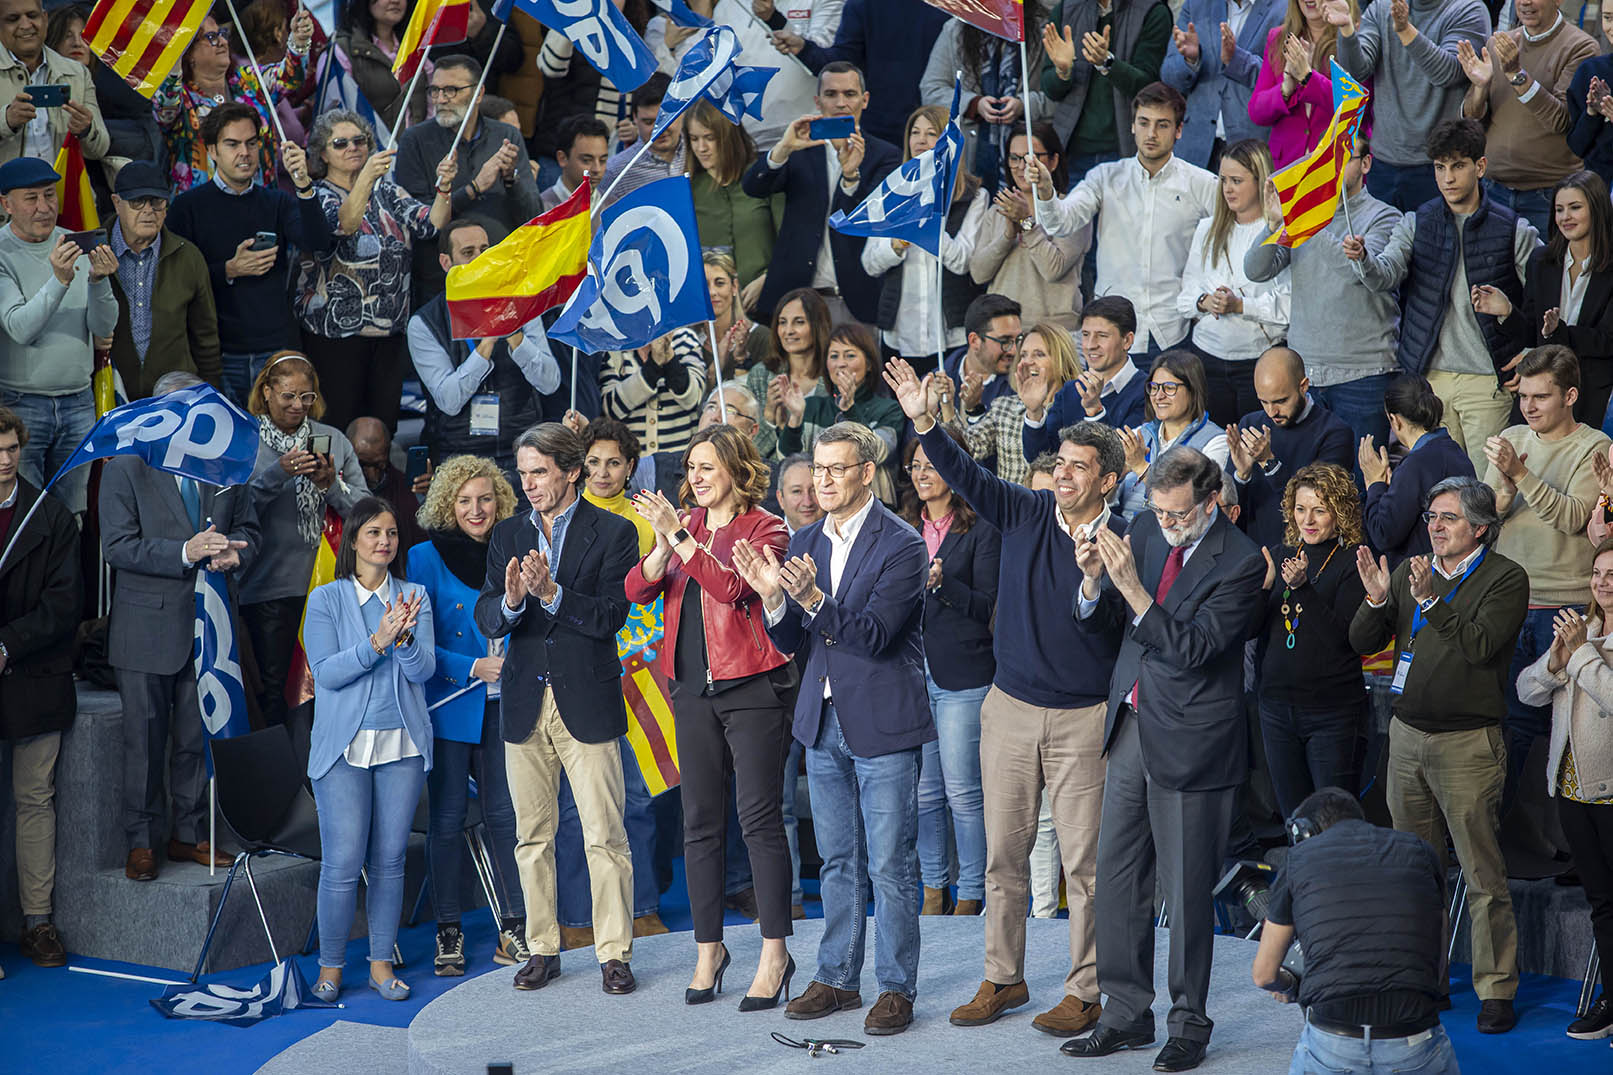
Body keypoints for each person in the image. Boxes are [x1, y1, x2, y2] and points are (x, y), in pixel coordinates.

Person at [890, 354, 1124, 1039]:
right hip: (1009, 709)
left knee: (1083, 867)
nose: (1065, 474)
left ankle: (1085, 989)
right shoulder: (1023, 510)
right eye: (1062, 462)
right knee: (1002, 857)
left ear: (1107, 479)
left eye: (1080, 466)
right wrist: (925, 421)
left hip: (1084, 718)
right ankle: (1003, 974)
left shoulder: (1122, 537)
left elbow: (1113, 626)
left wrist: (1090, 585)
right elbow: (965, 473)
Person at [1067, 446, 1265, 1069]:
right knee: (1118, 880)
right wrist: (1095, 585)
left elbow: (1196, 649)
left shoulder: (1240, 562)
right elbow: (1111, 632)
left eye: (1179, 515)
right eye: (1158, 511)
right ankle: (1125, 1014)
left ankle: (1189, 1024)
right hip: (1130, 723)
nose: (1165, 524)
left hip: (1194, 741)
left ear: (1212, 503)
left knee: (1183, 895)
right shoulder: (1147, 525)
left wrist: (1131, 590)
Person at [732, 421, 931, 1035]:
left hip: (883, 721)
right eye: (817, 470)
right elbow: (793, 642)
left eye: (836, 469)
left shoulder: (902, 544)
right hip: (821, 722)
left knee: (892, 864)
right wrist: (772, 599)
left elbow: (874, 636)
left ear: (866, 473)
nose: (822, 481)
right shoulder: (805, 540)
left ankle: (896, 988)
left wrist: (815, 601)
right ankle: (838, 978)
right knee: (839, 859)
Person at [625, 424, 799, 1008]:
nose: (694, 479)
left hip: (752, 686)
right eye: (690, 469)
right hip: (690, 690)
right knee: (698, 822)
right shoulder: (686, 529)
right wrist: (660, 548)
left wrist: (679, 540)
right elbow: (636, 590)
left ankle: (775, 953)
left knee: (758, 820)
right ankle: (709, 950)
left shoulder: (766, 526)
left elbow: (730, 588)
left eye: (706, 467)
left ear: (736, 470)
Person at [1349, 476, 1530, 1034]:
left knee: (1481, 872)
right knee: (1414, 870)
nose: (1435, 526)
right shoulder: (1409, 571)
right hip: (1406, 738)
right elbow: (1363, 641)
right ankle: (1424, 976)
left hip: (1468, 744)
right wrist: (1379, 598)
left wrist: (1431, 599)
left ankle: (1496, 988)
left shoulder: (1506, 578)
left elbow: (1479, 646)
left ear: (1480, 528)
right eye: (1431, 516)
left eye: (1448, 518)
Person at [473, 423, 641, 996]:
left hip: (586, 700)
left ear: (571, 472)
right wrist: (515, 601)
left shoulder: (615, 531)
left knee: (604, 834)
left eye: (539, 471)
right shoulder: (508, 534)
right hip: (523, 702)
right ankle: (542, 947)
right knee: (532, 836)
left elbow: (611, 617)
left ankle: (613, 953)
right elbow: (487, 617)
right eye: (522, 473)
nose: (528, 484)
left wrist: (552, 595)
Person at [100, 370, 259, 883]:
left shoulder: (226, 465)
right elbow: (117, 547)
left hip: (209, 625)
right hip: (145, 629)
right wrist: (185, 552)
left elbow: (250, 531)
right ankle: (142, 841)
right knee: (144, 742)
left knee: (195, 738)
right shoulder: (127, 465)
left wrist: (237, 555)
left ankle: (189, 834)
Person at [303, 496, 433, 1002]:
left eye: (392, 534)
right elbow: (328, 674)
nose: (385, 541)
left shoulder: (415, 595)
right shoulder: (326, 600)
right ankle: (331, 968)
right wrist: (377, 641)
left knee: (391, 859)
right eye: (374, 533)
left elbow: (423, 674)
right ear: (353, 540)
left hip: (401, 744)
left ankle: (381, 965)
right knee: (341, 860)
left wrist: (404, 642)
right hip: (343, 748)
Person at [407, 457, 528, 976]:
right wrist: (472, 666)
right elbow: (417, 641)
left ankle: (516, 926)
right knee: (448, 821)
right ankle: (448, 931)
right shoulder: (422, 556)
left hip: (508, 704)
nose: (476, 510)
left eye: (485, 499)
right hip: (452, 705)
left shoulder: (520, 545)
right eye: (464, 501)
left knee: (508, 819)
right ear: (446, 505)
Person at [1251, 788, 1460, 1074]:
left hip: (1335, 1040)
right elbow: (1437, 963)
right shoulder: (1420, 851)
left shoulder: (1298, 860)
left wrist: (1288, 987)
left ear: (1305, 833)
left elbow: (1264, 974)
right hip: (1414, 1038)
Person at [1482, 346, 1610, 810]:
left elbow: (1575, 518)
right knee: (1510, 723)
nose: (1529, 407)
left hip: (1566, 607)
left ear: (1571, 395)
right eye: (1524, 396)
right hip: (1510, 602)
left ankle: (1557, 838)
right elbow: (1487, 517)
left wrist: (1521, 472)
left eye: (1541, 396)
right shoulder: (1513, 434)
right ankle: (1510, 831)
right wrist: (1502, 490)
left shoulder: (1594, 446)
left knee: (1562, 728)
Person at [1030, 82, 1218, 358]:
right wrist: (1046, 193)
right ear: (1132, 126)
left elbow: (1226, 239)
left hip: (1173, 329)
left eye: (1162, 125)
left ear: (1178, 130)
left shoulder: (1202, 184)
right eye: (1144, 122)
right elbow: (1061, 222)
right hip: (1111, 332)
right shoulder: (1104, 177)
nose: (1151, 133)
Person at [297, 109, 453, 433]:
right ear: (322, 154)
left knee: (383, 429)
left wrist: (445, 188)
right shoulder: (318, 195)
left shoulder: (389, 191)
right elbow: (343, 224)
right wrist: (367, 176)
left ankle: (377, 484)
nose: (353, 147)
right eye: (340, 143)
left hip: (389, 333)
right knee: (338, 426)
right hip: (336, 339)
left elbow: (431, 224)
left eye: (360, 140)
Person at [167, 102, 331, 409]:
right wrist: (228, 270)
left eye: (251, 143)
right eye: (232, 144)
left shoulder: (277, 202)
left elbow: (319, 241)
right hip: (219, 352)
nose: (244, 152)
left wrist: (303, 185)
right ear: (212, 151)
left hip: (275, 349)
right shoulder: (187, 207)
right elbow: (175, 282)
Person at [899, 428, 1000, 919]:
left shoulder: (980, 528)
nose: (921, 474)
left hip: (964, 677)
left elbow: (988, 608)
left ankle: (971, 892)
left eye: (931, 465)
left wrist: (943, 587)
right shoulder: (901, 528)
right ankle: (934, 889)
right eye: (914, 466)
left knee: (963, 792)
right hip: (913, 677)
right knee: (924, 793)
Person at [1516, 538, 1613, 1042]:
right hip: (1574, 790)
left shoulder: (1588, 643)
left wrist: (1579, 658)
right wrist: (1556, 659)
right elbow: (1526, 692)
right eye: (1597, 572)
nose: (1602, 582)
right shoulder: (1582, 631)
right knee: (1601, 902)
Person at [238, 354, 367, 727]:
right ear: (266, 392)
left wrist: (331, 486)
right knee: (275, 690)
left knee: (330, 686)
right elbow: (234, 512)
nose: (298, 406)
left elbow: (369, 512)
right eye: (288, 396)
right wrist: (276, 475)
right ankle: (282, 779)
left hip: (328, 585)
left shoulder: (335, 441)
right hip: (268, 590)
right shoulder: (247, 442)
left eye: (306, 397)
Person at [1246, 140, 1402, 450]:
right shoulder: (1305, 217)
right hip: (1307, 376)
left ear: (1366, 164)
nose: (1332, 165)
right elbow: (1256, 270)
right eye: (1327, 158)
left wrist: (1306, 218)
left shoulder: (1384, 216)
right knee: (1309, 483)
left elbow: (1356, 274)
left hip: (1364, 374)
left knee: (1361, 484)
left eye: (1344, 157)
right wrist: (1274, 223)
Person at [0, 405, 79, 968]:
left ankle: (38, 924)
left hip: (34, 675)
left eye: (11, 450)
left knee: (35, 800)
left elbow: (65, 604)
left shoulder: (50, 515)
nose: (4, 462)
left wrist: (6, 645)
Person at [740, 62, 900, 326]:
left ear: (865, 100)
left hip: (855, 300)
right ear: (817, 101)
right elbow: (753, 188)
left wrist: (850, 176)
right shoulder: (799, 148)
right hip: (795, 300)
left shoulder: (885, 155)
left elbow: (875, 219)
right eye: (830, 94)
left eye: (849, 94)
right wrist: (782, 148)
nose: (840, 103)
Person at [0, 155, 116, 514]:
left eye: (50, 195)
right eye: (31, 198)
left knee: (71, 516)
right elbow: (20, 328)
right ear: (6, 204)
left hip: (78, 402)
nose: (44, 207)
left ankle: (69, 574)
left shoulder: (73, 243)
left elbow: (104, 328)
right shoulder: (2, 252)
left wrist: (99, 281)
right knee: (26, 516)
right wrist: (60, 280)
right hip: (22, 405)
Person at [1254, 463, 1368, 815]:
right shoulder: (1278, 554)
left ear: (1340, 513)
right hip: (1275, 708)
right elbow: (1248, 631)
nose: (1309, 520)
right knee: (1295, 819)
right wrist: (1262, 591)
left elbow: (1343, 640)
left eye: (1320, 510)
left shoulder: (1353, 560)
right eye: (1301, 509)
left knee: (1333, 821)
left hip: (1331, 713)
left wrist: (1303, 589)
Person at [410, 217, 562, 481]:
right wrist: (488, 341)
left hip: (522, 451)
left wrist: (514, 335)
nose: (480, 259)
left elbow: (550, 382)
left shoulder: (522, 306)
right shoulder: (425, 322)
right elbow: (448, 401)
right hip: (459, 456)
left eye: (485, 250)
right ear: (447, 263)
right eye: (468, 253)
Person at [394, 55, 541, 303]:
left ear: (479, 92)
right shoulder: (414, 140)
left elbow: (532, 215)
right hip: (442, 287)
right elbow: (417, 223)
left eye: (451, 90)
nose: (441, 99)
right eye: (435, 90)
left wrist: (510, 180)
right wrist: (473, 188)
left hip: (500, 278)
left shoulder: (507, 136)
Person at [1328, 0, 1490, 212]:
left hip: (1440, 165)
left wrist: (1405, 30)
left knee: (1432, 243)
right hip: (1384, 163)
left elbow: (1448, 72)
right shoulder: (1381, 6)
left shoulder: (1468, 9)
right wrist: (1346, 29)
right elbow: (1358, 71)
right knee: (1381, 244)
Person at [861, 105, 989, 374]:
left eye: (931, 133)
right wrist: (897, 244)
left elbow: (962, 261)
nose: (921, 140)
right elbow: (870, 263)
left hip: (951, 332)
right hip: (900, 333)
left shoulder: (975, 195)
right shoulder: (891, 191)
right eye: (915, 132)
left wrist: (927, 224)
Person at [1481, 170, 1613, 429]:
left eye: (1575, 208)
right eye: (1559, 209)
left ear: (1597, 210)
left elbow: (1607, 341)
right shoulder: (1541, 261)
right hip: (1543, 388)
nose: (1565, 217)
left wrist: (1557, 334)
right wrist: (1507, 312)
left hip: (1593, 391)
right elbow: (1534, 333)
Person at [1455, 0, 1596, 236]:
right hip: (1492, 190)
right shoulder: (1498, 43)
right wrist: (1480, 88)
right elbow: (1471, 121)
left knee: (1543, 272)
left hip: (1548, 196)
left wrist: (1516, 74)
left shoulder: (1581, 47)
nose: (1525, 2)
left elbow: (1561, 121)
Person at [1177, 138, 1288, 425]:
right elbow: (1185, 295)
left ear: (1261, 180)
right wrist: (1205, 301)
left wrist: (1240, 306)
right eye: (1224, 179)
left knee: (1257, 445)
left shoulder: (1280, 231)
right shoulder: (1207, 228)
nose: (1227, 188)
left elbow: (1288, 306)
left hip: (1259, 359)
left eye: (1237, 180)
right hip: (1206, 357)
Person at [154, 8, 311, 192]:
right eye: (211, 37)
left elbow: (290, 78)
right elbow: (165, 109)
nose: (222, 42)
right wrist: (173, 60)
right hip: (203, 212)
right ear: (188, 53)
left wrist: (299, 41)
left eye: (222, 33)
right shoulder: (181, 98)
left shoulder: (249, 81)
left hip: (261, 204)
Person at [105, 161, 220, 399]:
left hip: (175, 399)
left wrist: (210, 395)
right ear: (117, 203)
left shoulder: (189, 256)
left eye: (156, 202)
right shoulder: (92, 252)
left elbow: (206, 336)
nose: (148, 210)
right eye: (137, 202)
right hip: (108, 395)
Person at [1227, 346, 1356, 548]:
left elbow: (1315, 509)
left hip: (1303, 556)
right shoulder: (1250, 425)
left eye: (1281, 401)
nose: (1272, 412)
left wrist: (1269, 463)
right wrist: (1241, 476)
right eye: (1263, 402)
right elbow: (1231, 510)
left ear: (1303, 386)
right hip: (1252, 553)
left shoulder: (1334, 433)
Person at [969, 124, 1089, 334]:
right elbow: (978, 274)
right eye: (1014, 158)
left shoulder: (1072, 209)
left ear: (1053, 161)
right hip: (1005, 333)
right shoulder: (997, 211)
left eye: (1031, 158)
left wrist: (1026, 223)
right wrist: (1007, 236)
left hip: (1056, 334)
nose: (1021, 166)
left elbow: (1054, 269)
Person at [778, 0, 948, 146]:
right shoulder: (863, 3)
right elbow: (842, 65)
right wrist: (804, 49)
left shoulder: (960, 6)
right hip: (882, 134)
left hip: (942, 127)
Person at [776, 322, 904, 503]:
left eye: (850, 355)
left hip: (871, 506)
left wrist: (850, 408)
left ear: (868, 364)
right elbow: (789, 460)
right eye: (834, 356)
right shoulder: (812, 406)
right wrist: (795, 418)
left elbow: (876, 452)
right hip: (819, 506)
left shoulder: (889, 409)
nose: (841, 364)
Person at [920, 9, 1046, 193]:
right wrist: (973, 104)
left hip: (1028, 154)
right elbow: (931, 89)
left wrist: (1024, 104)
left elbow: (1061, 97)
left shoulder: (1041, 29)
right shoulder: (956, 30)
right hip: (972, 153)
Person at [1041, 0, 1175, 170]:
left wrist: (1107, 63)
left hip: (1126, 152)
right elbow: (1050, 90)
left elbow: (1149, 87)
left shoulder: (1152, 11)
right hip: (1070, 151)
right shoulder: (1066, 8)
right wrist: (1062, 71)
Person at [1361, 372, 1475, 566]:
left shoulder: (1415, 466)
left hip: (1423, 580)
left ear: (1394, 420)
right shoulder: (1455, 452)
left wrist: (1375, 484)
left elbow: (1383, 534)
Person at [1160, 0, 1285, 170]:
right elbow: (1169, 78)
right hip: (1195, 149)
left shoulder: (1284, 8)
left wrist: (1236, 60)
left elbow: (1284, 82)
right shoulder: (1197, 4)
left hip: (1253, 152)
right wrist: (1191, 60)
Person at [1024, 298, 1149, 461]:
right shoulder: (1069, 390)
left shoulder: (1148, 392)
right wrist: (1034, 412)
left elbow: (1118, 462)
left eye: (1102, 336)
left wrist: (1095, 411)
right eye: (1085, 334)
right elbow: (1040, 459)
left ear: (1127, 340)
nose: (1090, 345)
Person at [1113, 349, 1231, 519]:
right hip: (1125, 528)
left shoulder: (1216, 442)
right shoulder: (1139, 434)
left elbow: (1194, 508)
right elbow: (1108, 500)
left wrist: (1141, 467)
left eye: (1169, 388)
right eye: (1153, 387)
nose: (1158, 396)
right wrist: (1116, 477)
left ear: (1193, 390)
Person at [1247, 0, 1361, 169]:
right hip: (1286, 168)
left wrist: (1308, 78)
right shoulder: (1278, 37)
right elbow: (1257, 112)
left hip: (1334, 166)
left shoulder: (1351, 36)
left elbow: (1355, 107)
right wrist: (1286, 88)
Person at [49, 3, 159, 169]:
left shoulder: (115, 90)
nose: (77, 43)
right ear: (52, 42)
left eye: (83, 35)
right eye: (67, 36)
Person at [0, 0, 107, 168]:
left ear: (45, 19)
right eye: (13, 19)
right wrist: (6, 120)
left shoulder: (77, 72)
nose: (26, 25)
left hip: (62, 190)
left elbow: (99, 149)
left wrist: (86, 130)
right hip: (6, 192)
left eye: (32, 16)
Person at [972, 322, 1079, 488]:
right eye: (1023, 355)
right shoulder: (1003, 407)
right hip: (1010, 511)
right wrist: (941, 410)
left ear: (1061, 360)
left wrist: (1035, 412)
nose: (1027, 362)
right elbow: (969, 447)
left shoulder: (1077, 410)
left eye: (1039, 354)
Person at [688, 100, 775, 292]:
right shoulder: (688, 191)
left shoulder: (763, 175)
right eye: (694, 139)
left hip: (766, 299)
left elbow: (789, 240)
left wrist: (767, 279)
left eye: (709, 137)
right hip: (714, 306)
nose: (701, 148)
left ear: (728, 137)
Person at [748, 288, 830, 461]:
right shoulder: (761, 375)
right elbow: (750, 454)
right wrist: (769, 416)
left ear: (818, 325)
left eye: (799, 322)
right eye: (782, 322)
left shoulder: (835, 377)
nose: (788, 330)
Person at [601, 327, 709, 459]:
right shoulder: (615, 346)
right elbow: (611, 408)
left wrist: (668, 357)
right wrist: (654, 365)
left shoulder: (684, 339)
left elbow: (693, 398)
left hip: (680, 461)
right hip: (634, 463)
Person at [331, 0, 421, 133]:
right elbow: (338, 111)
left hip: (418, 147)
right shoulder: (343, 50)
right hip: (375, 149)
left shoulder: (416, 43)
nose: (395, 1)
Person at [346, 417, 427, 553]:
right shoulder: (335, 489)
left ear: (388, 453)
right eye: (363, 465)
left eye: (379, 465)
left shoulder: (405, 492)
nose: (372, 475)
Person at [943, 293, 1023, 426]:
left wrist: (975, 410)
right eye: (1004, 341)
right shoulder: (937, 380)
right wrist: (927, 413)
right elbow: (914, 443)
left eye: (1018, 339)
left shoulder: (1021, 384)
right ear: (974, 341)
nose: (1014, 351)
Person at [1565, 6, 1613, 184]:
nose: (1612, 27)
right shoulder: (1591, 70)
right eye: (1608, 18)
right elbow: (1577, 146)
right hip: (1599, 190)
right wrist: (1592, 113)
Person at [541, 115, 610, 211]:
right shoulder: (541, 208)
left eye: (602, 160)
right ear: (562, 158)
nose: (597, 169)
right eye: (586, 160)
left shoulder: (612, 207)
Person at [776, 452, 822, 535]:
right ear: (780, 499)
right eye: (797, 491)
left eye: (814, 490)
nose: (807, 502)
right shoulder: (766, 539)